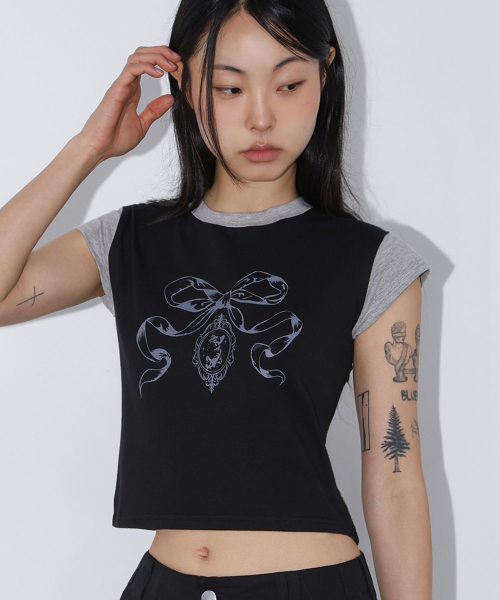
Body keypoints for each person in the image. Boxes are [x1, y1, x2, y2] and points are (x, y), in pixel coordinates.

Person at [0, 1, 433, 599]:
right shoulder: (131, 241)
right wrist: (88, 147)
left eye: (288, 84)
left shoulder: (371, 260)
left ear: (324, 73)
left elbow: (395, 475)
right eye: (229, 88)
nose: (261, 117)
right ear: (184, 85)